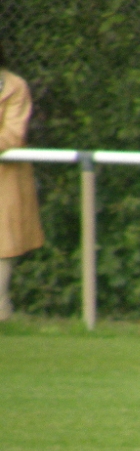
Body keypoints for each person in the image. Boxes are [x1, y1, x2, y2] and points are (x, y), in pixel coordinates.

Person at [0, 40, 44, 321]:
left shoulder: (15, 86)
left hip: (5, 178)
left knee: (2, 245)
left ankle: (1, 311)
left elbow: (14, 134)